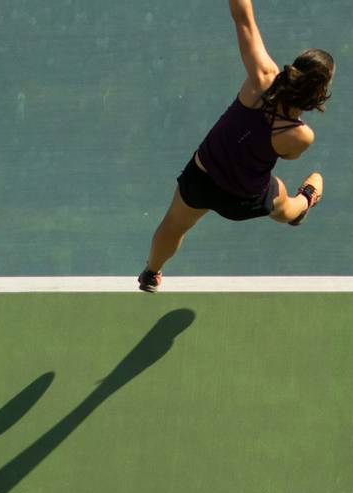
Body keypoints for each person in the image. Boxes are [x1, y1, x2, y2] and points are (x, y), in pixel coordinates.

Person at [138, 0, 333, 293]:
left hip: (202, 177)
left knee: (174, 225)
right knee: (284, 205)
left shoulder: (262, 76)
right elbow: (288, 155)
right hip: (241, 198)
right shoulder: (301, 135)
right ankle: (305, 202)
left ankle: (151, 273)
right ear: (318, 92)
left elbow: (243, 17)